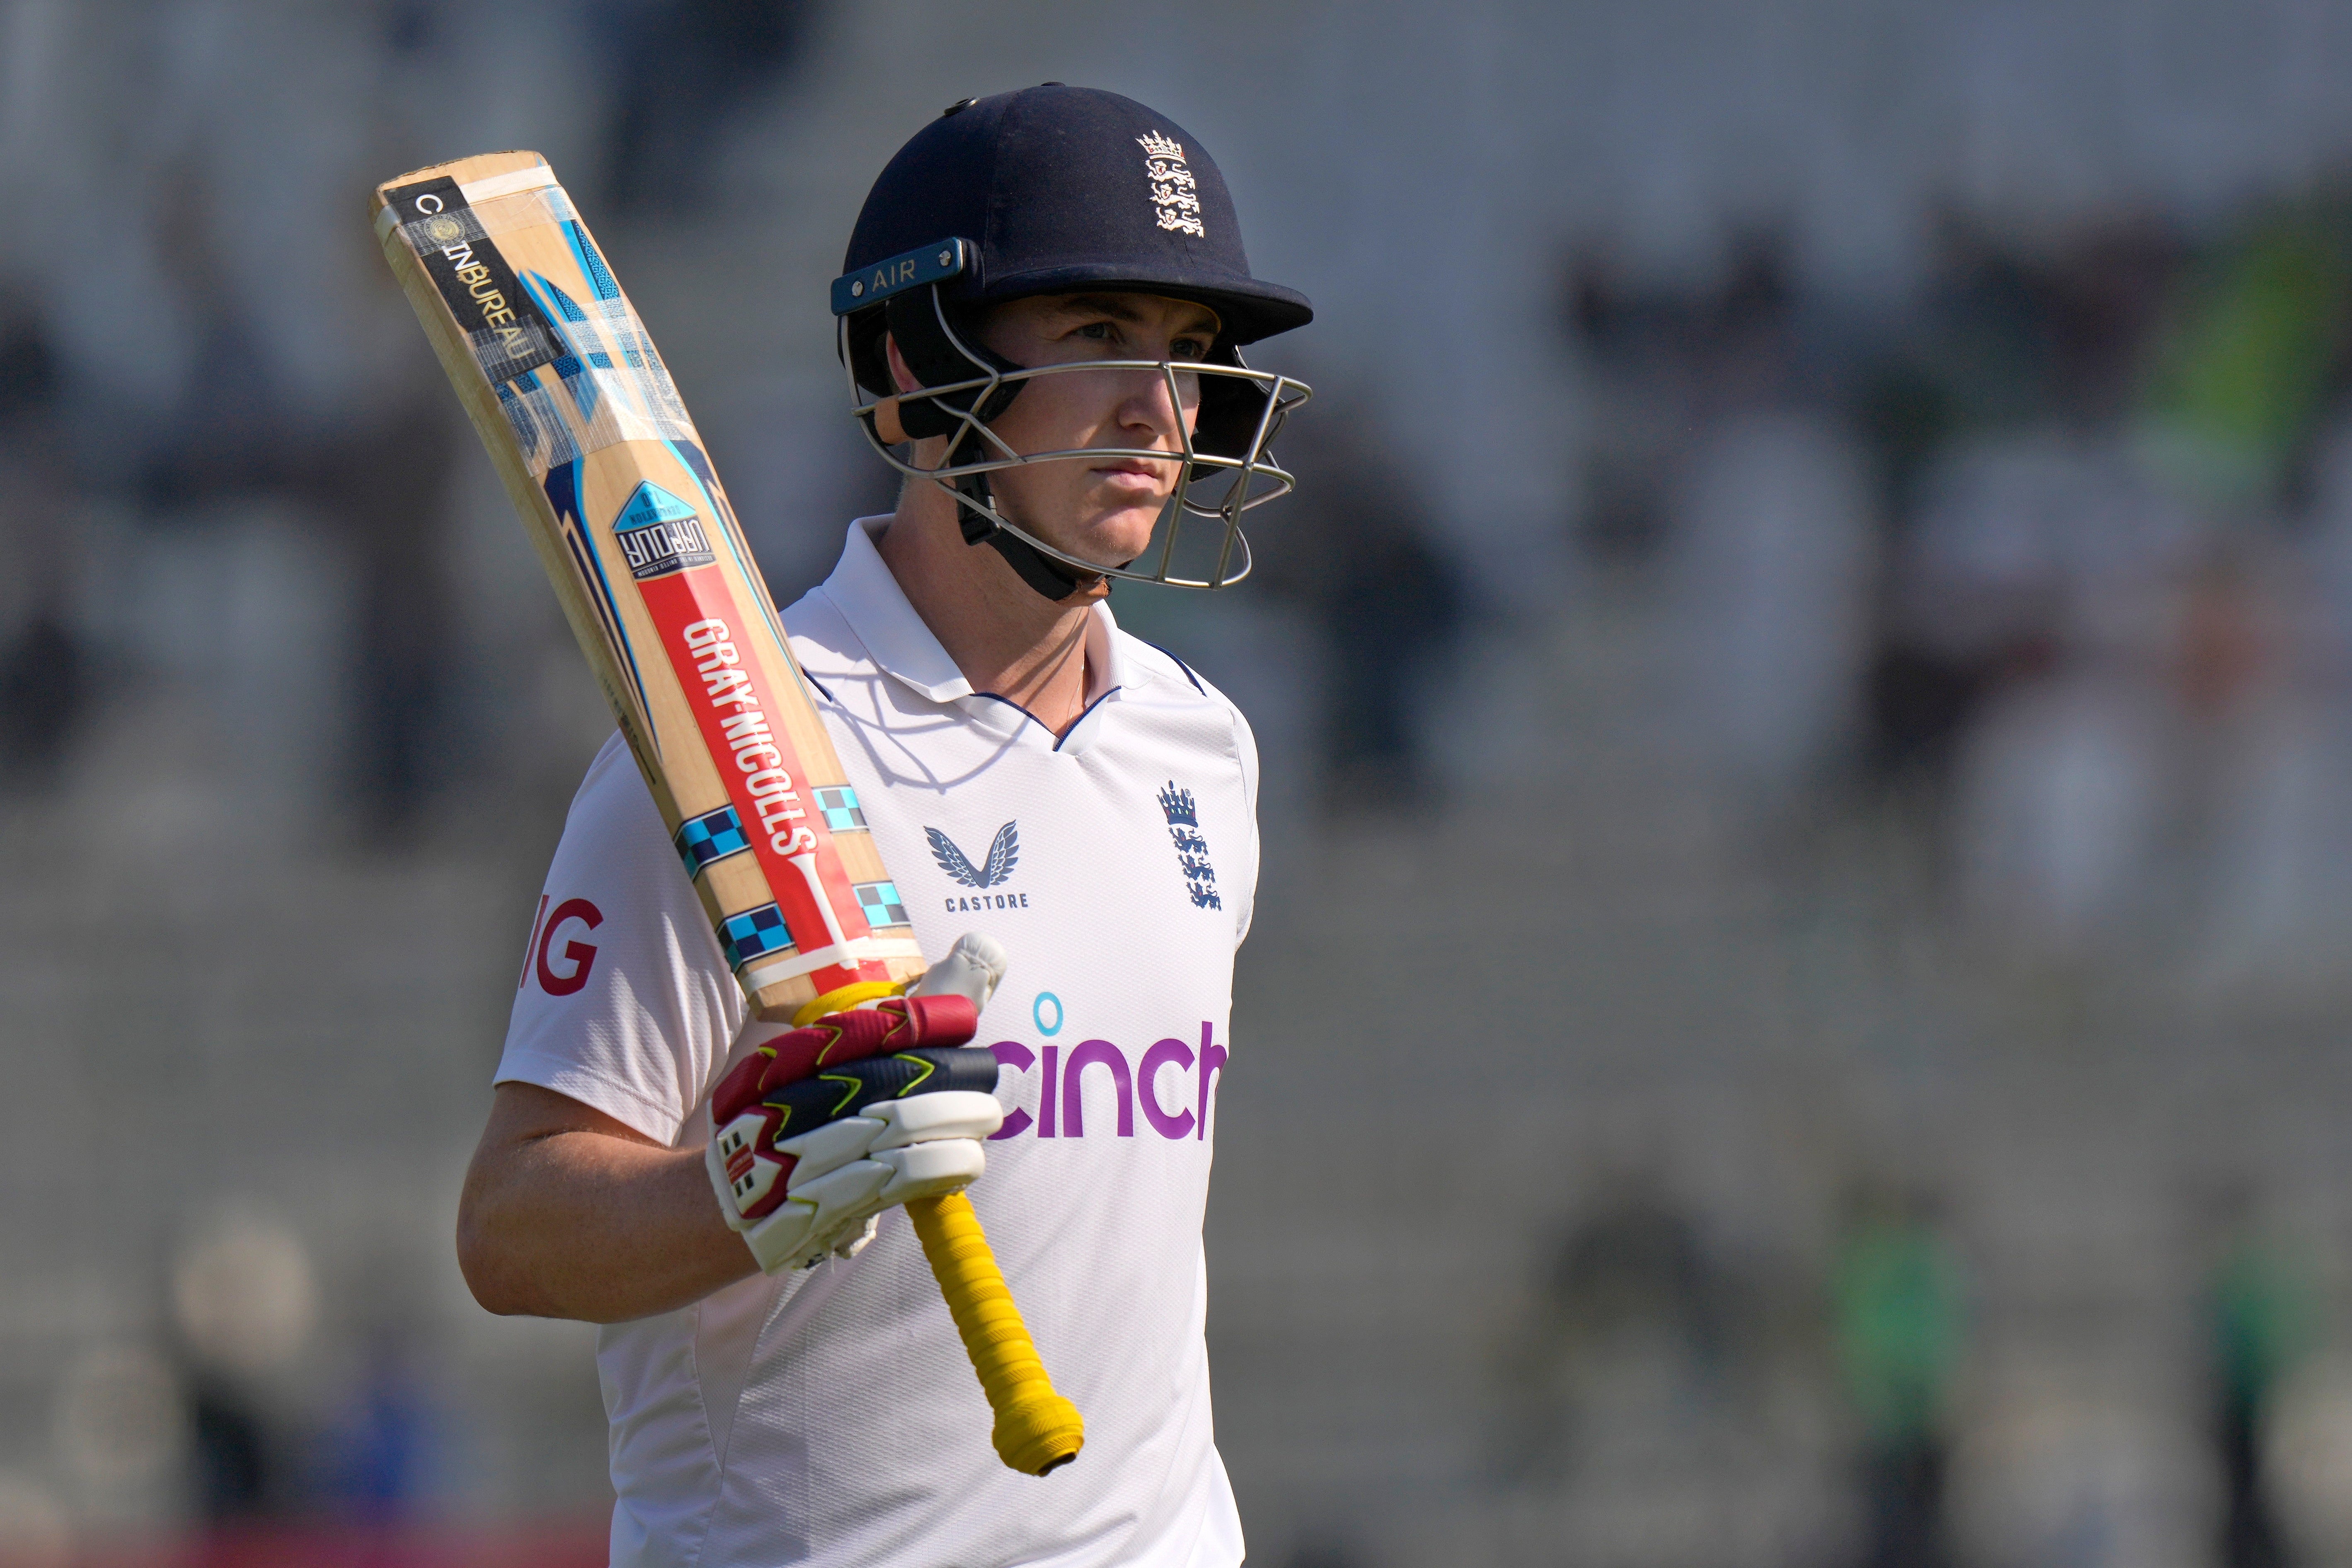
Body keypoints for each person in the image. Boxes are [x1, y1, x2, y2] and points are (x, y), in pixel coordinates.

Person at [455, 84, 1313, 1568]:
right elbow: (511, 1231)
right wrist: (749, 1188)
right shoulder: (722, 756)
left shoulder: (1204, 748)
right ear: (915, 375)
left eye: (1186, 353)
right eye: (1099, 336)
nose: (1159, 408)